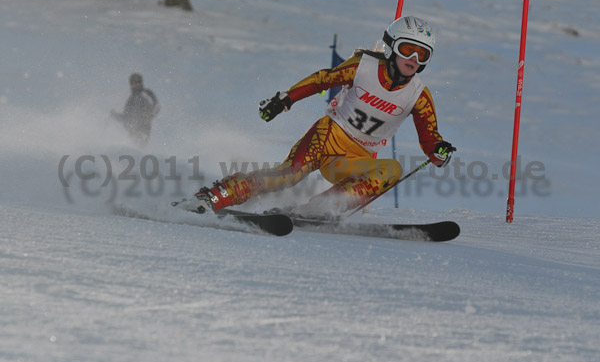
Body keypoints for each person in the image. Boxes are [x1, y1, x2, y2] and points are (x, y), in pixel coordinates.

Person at [181, 16, 455, 217]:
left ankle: (313, 211)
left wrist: (439, 151)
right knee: (288, 176)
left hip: (354, 159)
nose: (414, 59)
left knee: (392, 169)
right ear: (393, 46)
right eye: (409, 49)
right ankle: (213, 197)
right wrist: (285, 99)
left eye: (423, 54)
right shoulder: (364, 67)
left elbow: (430, 139)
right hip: (328, 137)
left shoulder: (418, 94)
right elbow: (323, 79)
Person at [110, 73, 160, 147]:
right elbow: (126, 117)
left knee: (140, 146)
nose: (136, 84)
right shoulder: (130, 100)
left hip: (144, 127)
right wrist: (115, 115)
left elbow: (156, 106)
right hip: (132, 129)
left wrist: (148, 116)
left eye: (138, 82)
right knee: (133, 147)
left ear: (141, 82)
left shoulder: (146, 93)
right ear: (131, 84)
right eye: (134, 82)